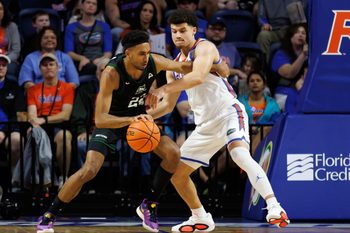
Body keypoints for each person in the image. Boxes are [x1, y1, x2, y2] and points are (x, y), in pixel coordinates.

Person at [36, 29, 229, 233]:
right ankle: (49, 215)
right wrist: (131, 119)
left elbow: (184, 66)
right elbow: (100, 118)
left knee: (173, 153)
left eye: (148, 52)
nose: (146, 57)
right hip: (112, 121)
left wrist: (216, 66)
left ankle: (149, 204)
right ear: (127, 53)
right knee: (89, 170)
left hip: (138, 119)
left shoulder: (154, 61)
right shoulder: (112, 73)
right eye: (141, 54)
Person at [146, 9, 290, 231]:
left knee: (239, 155)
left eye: (183, 30)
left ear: (194, 30)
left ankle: (274, 206)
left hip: (229, 111)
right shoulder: (173, 67)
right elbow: (168, 105)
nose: (178, 35)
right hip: (205, 124)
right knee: (178, 174)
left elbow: (198, 76)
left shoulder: (204, 47)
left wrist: (163, 88)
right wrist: (143, 117)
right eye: (174, 31)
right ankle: (200, 216)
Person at [27, 53, 75, 189]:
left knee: (64, 137)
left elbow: (65, 115)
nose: (48, 67)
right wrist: (37, 122)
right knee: (32, 133)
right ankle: (40, 180)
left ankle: (63, 177)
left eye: (51, 64)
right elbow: (32, 115)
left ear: (57, 67)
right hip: (40, 126)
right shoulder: (33, 90)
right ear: (40, 69)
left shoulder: (67, 88)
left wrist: (44, 119)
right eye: (44, 65)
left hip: (60, 126)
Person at [271, 23, 308, 111]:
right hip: (284, 93)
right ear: (290, 37)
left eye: (303, 33)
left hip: (303, 91)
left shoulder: (311, 55)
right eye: (297, 32)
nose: (300, 35)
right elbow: (289, 73)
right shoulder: (280, 54)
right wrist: (303, 54)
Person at [0, 53, 22, 173]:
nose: (1, 67)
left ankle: (15, 177)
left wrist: (3, 131)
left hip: (9, 128)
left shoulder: (14, 87)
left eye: (4, 65)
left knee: (17, 140)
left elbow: (16, 114)